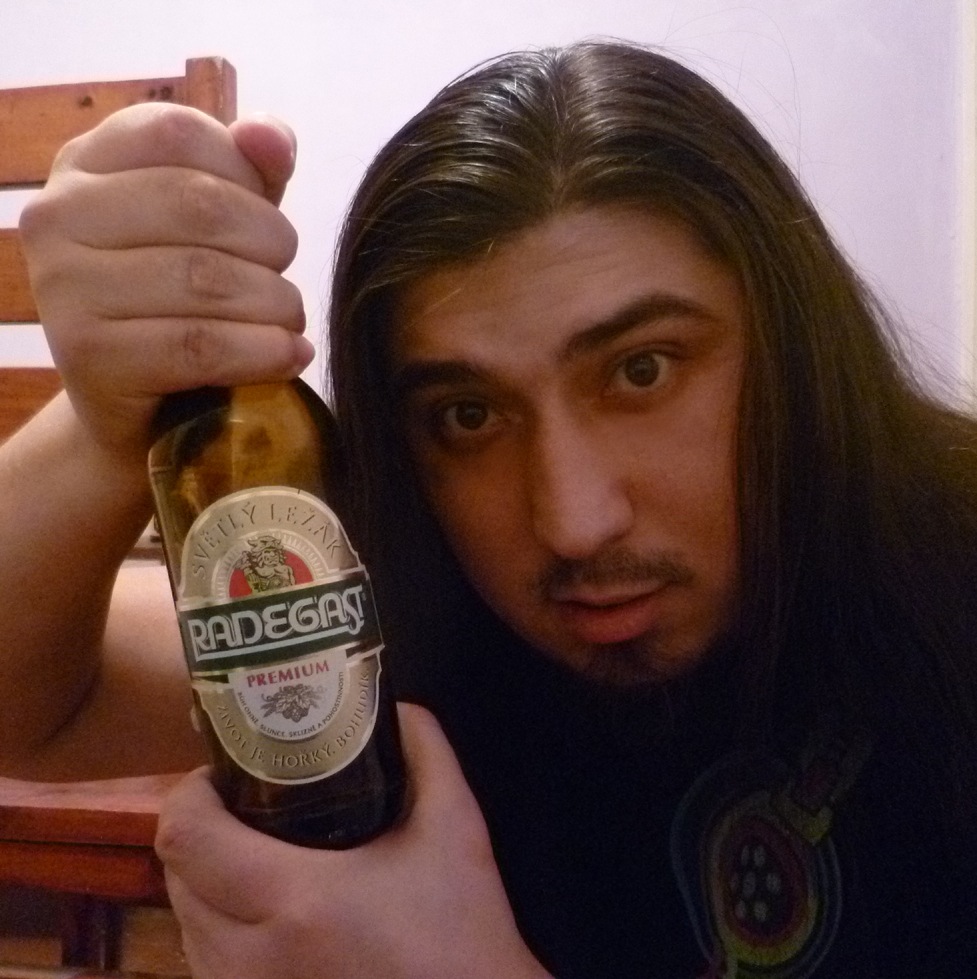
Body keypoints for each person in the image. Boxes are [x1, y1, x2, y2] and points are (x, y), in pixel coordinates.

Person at [1, 39, 976, 978]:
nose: (573, 521)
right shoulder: (434, 608)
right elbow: (33, 707)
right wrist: (104, 422)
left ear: (793, 337)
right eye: (467, 415)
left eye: (641, 370)